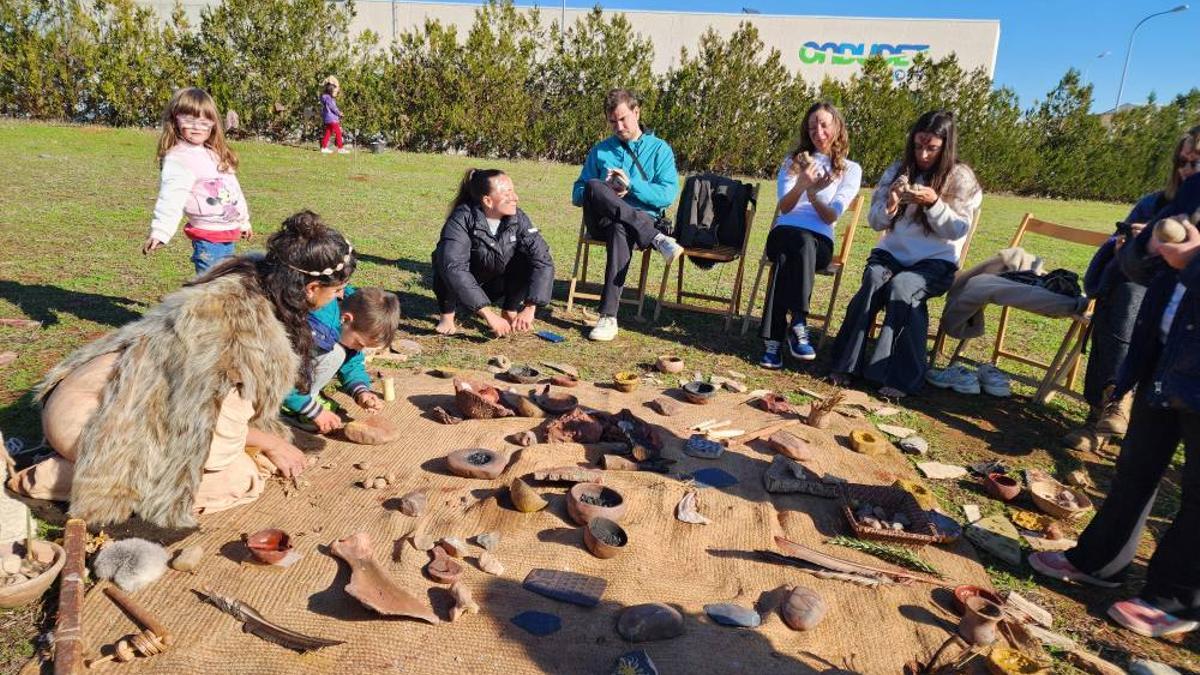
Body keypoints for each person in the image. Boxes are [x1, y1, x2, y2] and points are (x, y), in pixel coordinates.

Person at [10, 211, 356, 529]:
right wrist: (269, 444)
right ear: (311, 289)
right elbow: (208, 439)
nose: (340, 297)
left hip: (106, 399)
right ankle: (57, 477)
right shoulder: (244, 332)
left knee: (251, 457)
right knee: (239, 478)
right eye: (338, 290)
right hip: (91, 421)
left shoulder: (255, 282)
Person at [1029, 137, 1200, 638]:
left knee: (1198, 492)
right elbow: (1136, 273)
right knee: (1136, 467)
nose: (1191, 170)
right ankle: (1100, 560)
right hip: (1166, 358)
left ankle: (1178, 600)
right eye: (1185, 162)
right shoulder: (1180, 203)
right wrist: (1142, 248)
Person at [1063, 129, 1200, 451]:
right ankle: (1109, 405)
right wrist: (1131, 246)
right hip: (1139, 294)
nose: (1186, 169)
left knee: (1132, 303)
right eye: (1182, 161)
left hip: (1186, 313)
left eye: (1196, 162)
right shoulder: (1155, 204)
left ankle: (1115, 400)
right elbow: (1122, 255)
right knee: (1122, 290)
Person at [828, 110, 981, 396]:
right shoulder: (898, 170)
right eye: (918, 146)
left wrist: (934, 203)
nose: (923, 154)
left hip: (935, 261)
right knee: (873, 280)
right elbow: (875, 222)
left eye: (932, 148)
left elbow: (958, 229)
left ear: (945, 146)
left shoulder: (960, 177)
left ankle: (899, 376)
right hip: (891, 254)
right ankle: (845, 365)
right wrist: (891, 202)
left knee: (904, 287)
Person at [571, 88, 683, 342]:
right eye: (613, 122)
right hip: (603, 220)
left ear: (636, 112)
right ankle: (656, 238)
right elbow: (578, 193)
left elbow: (666, 196)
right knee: (593, 186)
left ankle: (608, 316)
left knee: (619, 227)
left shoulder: (660, 150)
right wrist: (606, 188)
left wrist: (632, 186)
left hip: (633, 223)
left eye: (623, 119)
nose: (618, 126)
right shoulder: (601, 150)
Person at [759, 101, 862, 369]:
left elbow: (832, 216)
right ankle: (799, 323)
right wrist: (803, 183)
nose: (818, 131)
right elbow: (785, 206)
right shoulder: (792, 162)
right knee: (791, 244)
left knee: (792, 253)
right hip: (784, 233)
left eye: (824, 124)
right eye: (812, 126)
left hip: (820, 243)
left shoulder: (850, 169)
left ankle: (773, 343)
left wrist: (815, 195)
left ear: (837, 127)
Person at [142, 87, 252, 275]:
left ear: (213, 123)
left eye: (203, 121)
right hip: (208, 237)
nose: (196, 127)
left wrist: (243, 221)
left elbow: (233, 190)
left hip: (228, 234)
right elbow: (171, 198)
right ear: (175, 120)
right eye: (189, 120)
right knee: (211, 287)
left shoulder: (214, 154)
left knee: (223, 284)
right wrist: (160, 231)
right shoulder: (179, 159)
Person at [433, 169, 554, 337]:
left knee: (527, 256)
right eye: (507, 193)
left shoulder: (518, 218)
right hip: (461, 285)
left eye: (513, 191)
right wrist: (489, 316)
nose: (515, 198)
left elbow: (542, 259)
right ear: (487, 201)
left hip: (492, 282)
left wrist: (530, 306)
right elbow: (454, 267)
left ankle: (509, 310)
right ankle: (447, 316)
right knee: (445, 260)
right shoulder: (461, 218)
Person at [281, 287, 401, 433]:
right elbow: (281, 377)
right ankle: (290, 407)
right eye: (359, 344)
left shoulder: (344, 326)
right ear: (346, 319)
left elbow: (353, 362)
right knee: (336, 354)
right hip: (278, 383)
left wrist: (361, 391)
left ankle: (303, 397)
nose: (359, 349)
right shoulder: (314, 332)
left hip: (291, 375)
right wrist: (314, 412)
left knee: (340, 352)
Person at [319, 77, 348, 155]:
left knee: (328, 132)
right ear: (330, 90)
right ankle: (340, 148)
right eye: (335, 91)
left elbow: (332, 107)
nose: (336, 92)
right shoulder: (328, 98)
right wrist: (339, 113)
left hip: (329, 118)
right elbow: (332, 107)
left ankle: (324, 147)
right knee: (338, 132)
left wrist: (338, 113)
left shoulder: (327, 97)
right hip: (331, 118)